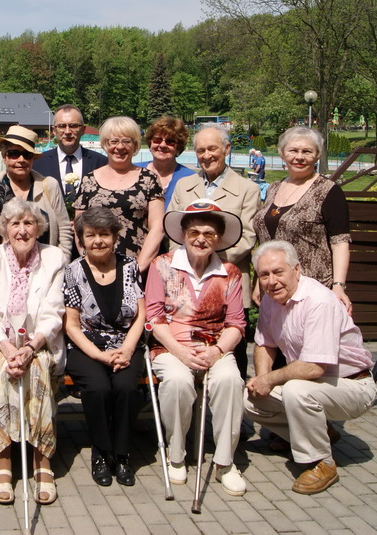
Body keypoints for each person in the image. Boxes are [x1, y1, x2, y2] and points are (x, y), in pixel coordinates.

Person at [245, 240, 376, 495]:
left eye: (278, 272)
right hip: (317, 385)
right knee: (250, 399)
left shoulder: (319, 301)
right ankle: (319, 432)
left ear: (296, 269)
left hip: (353, 385)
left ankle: (321, 463)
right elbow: (264, 344)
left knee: (296, 390)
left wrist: (269, 380)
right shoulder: (271, 300)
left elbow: (314, 367)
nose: (272, 281)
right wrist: (261, 379)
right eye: (264, 275)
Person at [145, 199, 247, 496]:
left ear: (218, 239)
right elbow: (154, 317)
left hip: (214, 347)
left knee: (230, 380)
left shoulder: (230, 272)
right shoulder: (161, 265)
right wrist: (180, 351)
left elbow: (237, 323)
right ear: (183, 234)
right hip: (170, 346)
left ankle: (225, 461)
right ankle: (176, 454)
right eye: (194, 232)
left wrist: (216, 351)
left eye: (209, 234)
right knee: (177, 381)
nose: (201, 239)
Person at [0, 198, 66, 505]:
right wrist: (7, 349)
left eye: (29, 223)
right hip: (0, 343)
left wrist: (29, 348)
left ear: (39, 228)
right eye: (15, 224)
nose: (22, 230)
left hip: (40, 342)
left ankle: (42, 458)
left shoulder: (53, 258)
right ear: (5, 229)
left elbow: (53, 312)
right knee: (2, 370)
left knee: (37, 369)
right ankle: (3, 459)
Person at [168, 125, 261, 378]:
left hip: (228, 280)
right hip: (186, 282)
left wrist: (206, 261)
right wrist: (184, 267)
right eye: (201, 150)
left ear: (227, 149)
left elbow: (247, 237)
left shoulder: (247, 189)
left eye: (212, 149)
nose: (206, 155)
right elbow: (174, 234)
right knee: (186, 352)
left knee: (231, 355)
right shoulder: (183, 185)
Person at [63, 207, 146, 486]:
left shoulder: (130, 266)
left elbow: (140, 315)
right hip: (87, 346)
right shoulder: (73, 271)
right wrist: (99, 355)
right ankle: (101, 451)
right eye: (91, 235)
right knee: (97, 388)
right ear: (81, 240)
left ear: (114, 237)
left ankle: (122, 454)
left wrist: (128, 350)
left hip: (126, 344)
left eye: (104, 234)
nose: (98, 240)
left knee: (126, 387)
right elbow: (72, 325)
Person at [252, 127, 351, 313]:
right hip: (274, 289)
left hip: (311, 290)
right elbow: (266, 240)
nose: (299, 157)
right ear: (282, 153)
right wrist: (259, 279)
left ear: (317, 155)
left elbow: (340, 243)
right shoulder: (274, 188)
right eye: (293, 150)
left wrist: (338, 286)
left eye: (307, 151)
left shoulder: (328, 191)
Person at [73, 116, 164, 272]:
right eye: (113, 141)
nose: (120, 147)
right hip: (96, 269)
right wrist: (90, 264)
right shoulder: (89, 180)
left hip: (137, 267)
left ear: (135, 145)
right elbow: (79, 228)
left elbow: (157, 227)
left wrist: (137, 268)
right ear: (105, 144)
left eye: (127, 141)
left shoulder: (149, 179)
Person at [0, 125, 73, 262]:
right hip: (4, 267)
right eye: (14, 154)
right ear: (4, 157)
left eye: (27, 155)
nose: (21, 160)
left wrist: (62, 262)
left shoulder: (49, 185)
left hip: (46, 266)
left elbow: (64, 229)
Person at [32, 104, 108, 200]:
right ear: (54, 130)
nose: (67, 131)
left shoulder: (101, 163)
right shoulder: (37, 163)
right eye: (62, 126)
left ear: (83, 129)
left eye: (73, 126)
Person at [135, 115, 196, 210]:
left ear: (178, 147)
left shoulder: (190, 178)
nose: (162, 145)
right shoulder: (133, 171)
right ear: (150, 143)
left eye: (170, 142)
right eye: (157, 140)